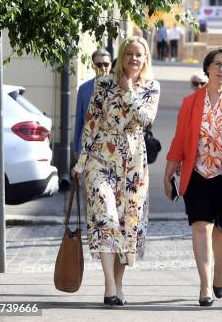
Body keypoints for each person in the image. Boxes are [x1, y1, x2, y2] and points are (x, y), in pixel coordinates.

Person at [71, 36, 160, 306]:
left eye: (139, 55)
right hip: (101, 158)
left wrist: (129, 90)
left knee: (126, 224)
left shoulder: (151, 88)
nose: (134, 59)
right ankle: (109, 285)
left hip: (133, 161)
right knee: (106, 217)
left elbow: (146, 119)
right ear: (122, 55)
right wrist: (80, 162)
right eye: (130, 53)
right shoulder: (102, 84)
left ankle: (118, 283)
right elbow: (90, 125)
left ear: (145, 59)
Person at [163, 47, 222, 307]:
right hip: (198, 174)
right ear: (207, 67)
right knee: (201, 227)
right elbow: (179, 141)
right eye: (218, 64)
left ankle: (219, 272)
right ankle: (204, 286)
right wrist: (168, 174)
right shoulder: (190, 103)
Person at [69, 48, 112, 191]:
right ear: (93, 66)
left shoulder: (116, 89)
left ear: (111, 65)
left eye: (106, 64)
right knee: (89, 194)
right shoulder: (84, 89)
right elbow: (80, 120)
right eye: (99, 65)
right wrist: (76, 148)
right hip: (87, 149)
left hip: (109, 150)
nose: (103, 68)